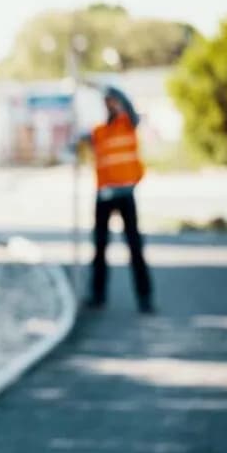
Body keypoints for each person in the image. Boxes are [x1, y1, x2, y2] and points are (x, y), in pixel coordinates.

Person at [82, 84, 153, 313]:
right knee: (100, 248)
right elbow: (80, 141)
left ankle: (145, 298)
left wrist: (105, 85)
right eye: (107, 101)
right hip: (104, 195)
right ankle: (98, 295)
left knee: (134, 247)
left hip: (125, 194)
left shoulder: (128, 123)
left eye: (113, 100)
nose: (110, 104)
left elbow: (128, 103)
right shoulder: (99, 132)